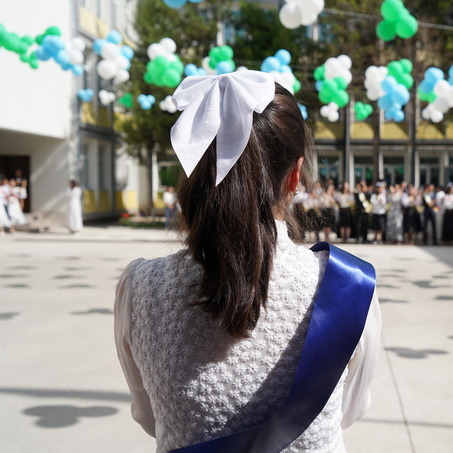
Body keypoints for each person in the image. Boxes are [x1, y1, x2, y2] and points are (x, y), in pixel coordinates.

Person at [114, 73, 381, 452]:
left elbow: (149, 417)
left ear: (192, 172)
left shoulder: (138, 287)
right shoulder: (350, 287)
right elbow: (349, 409)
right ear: (295, 176)